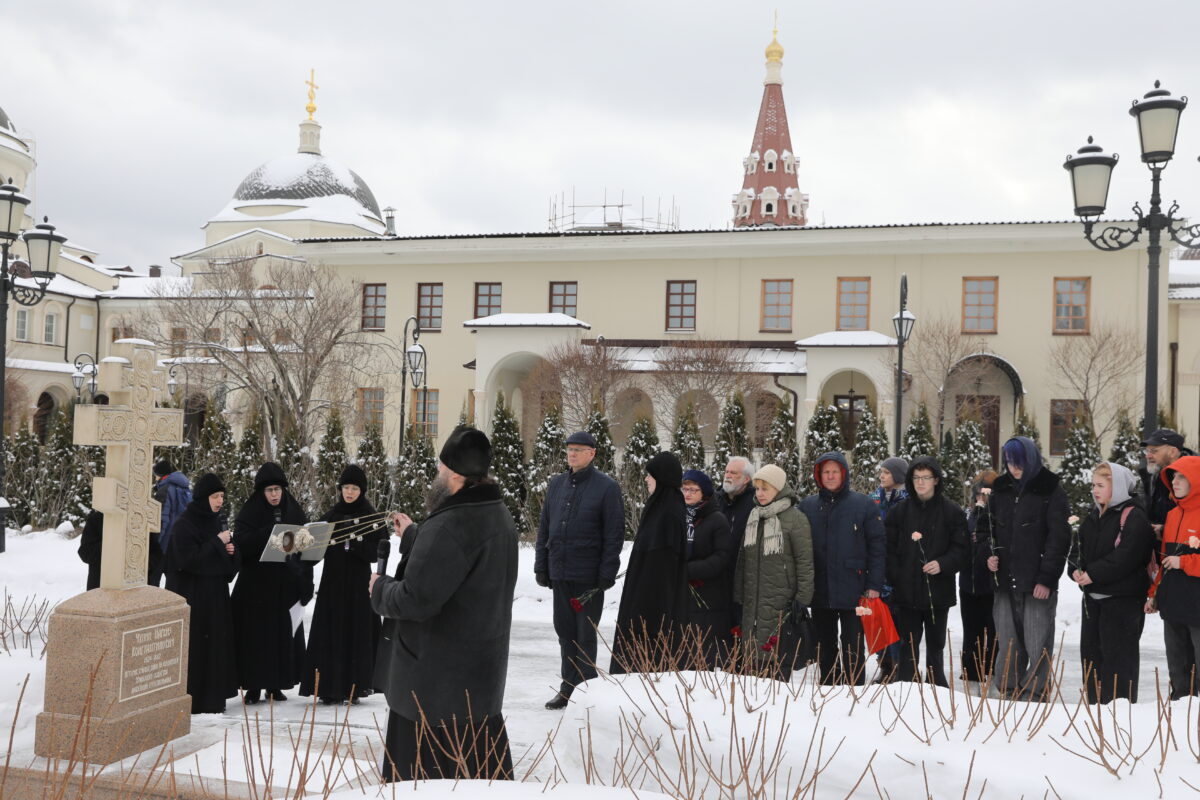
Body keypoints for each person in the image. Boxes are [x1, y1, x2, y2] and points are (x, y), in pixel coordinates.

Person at [371, 426, 518, 782]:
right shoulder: (496, 513)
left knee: (426, 785)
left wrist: (380, 589)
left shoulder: (450, 525)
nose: (436, 474)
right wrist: (414, 535)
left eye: (440, 468)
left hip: (432, 696)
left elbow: (415, 599)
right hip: (478, 686)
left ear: (454, 474)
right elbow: (456, 564)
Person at [534, 431, 624, 710]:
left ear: (592, 453)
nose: (572, 454)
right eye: (569, 449)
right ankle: (567, 688)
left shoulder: (606, 487)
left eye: (578, 449)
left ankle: (586, 690)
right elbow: (545, 527)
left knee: (585, 634)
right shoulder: (557, 484)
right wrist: (541, 565)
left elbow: (614, 534)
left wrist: (607, 572)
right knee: (565, 632)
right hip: (560, 571)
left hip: (588, 577)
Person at [987, 436, 1070, 701]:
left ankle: (1035, 692)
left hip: (1036, 581)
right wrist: (989, 555)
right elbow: (986, 528)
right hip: (1004, 579)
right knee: (1007, 640)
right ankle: (1009, 687)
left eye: (1019, 463)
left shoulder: (1050, 490)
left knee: (1037, 641)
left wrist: (1046, 579)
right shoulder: (1000, 489)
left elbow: (1059, 538)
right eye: (1010, 462)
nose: (1014, 468)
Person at [300, 464, 386, 704]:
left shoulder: (371, 517)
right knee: (331, 633)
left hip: (359, 586)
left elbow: (378, 552)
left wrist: (355, 543)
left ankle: (354, 687)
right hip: (333, 584)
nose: (349, 492)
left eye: (354, 488)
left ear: (362, 490)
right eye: (346, 487)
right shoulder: (332, 515)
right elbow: (313, 549)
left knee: (355, 634)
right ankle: (328, 687)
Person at [798, 452, 884, 686]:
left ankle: (855, 688)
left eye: (835, 471)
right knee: (825, 643)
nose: (830, 476)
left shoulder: (863, 504)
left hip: (854, 587)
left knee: (853, 643)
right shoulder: (807, 506)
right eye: (826, 472)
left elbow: (877, 547)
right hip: (820, 587)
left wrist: (874, 584)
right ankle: (829, 685)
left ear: (843, 474)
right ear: (818, 475)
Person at [231, 462, 313, 704]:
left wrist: (303, 579)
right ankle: (253, 686)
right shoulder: (250, 512)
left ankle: (276, 685)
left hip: (284, 586)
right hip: (256, 587)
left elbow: (304, 547)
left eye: (278, 489)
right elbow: (241, 544)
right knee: (256, 640)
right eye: (269, 490)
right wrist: (268, 532)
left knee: (281, 638)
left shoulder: (293, 511)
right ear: (261, 492)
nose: (275, 495)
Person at [1071, 462, 1153, 704]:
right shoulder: (1094, 515)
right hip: (1093, 600)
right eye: (1093, 485)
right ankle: (1094, 711)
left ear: (1116, 487)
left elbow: (1127, 556)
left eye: (1100, 485)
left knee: (1119, 666)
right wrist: (1075, 569)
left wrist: (1094, 573)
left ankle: (1119, 716)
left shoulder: (1134, 516)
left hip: (1122, 603)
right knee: (1092, 661)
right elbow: (1078, 548)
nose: (1094, 490)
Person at [884, 457, 967, 686]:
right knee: (908, 646)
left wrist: (943, 564)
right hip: (906, 591)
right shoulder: (899, 512)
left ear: (936, 480)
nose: (920, 482)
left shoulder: (951, 512)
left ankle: (936, 687)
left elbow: (961, 549)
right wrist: (897, 577)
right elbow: (888, 549)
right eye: (916, 477)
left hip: (937, 592)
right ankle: (906, 686)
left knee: (936, 646)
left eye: (926, 478)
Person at [164, 473, 241, 714]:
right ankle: (195, 700)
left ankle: (214, 699)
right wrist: (217, 543)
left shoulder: (217, 522)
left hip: (216, 597)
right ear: (202, 497)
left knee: (215, 648)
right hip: (194, 597)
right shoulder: (185, 524)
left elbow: (227, 563)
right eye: (215, 496)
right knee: (197, 648)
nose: (220, 501)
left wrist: (231, 552)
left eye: (222, 496)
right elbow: (187, 560)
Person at [610, 452, 690, 675]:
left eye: (650, 475)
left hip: (651, 610)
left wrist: (649, 619)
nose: (646, 479)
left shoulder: (669, 512)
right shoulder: (659, 507)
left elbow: (663, 569)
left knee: (646, 664)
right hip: (640, 601)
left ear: (662, 478)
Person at [732, 464, 814, 680]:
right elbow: (743, 559)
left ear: (778, 489)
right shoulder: (754, 516)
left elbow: (805, 562)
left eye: (765, 489)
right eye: (757, 489)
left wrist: (802, 599)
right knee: (752, 660)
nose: (759, 493)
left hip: (781, 600)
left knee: (776, 658)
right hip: (753, 601)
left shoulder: (795, 519)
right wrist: (739, 594)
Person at [1147, 454, 1200, 700]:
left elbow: (1177, 560)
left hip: (1197, 603)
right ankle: (1179, 704)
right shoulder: (1173, 515)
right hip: (1174, 602)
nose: (1174, 482)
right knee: (1177, 663)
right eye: (1173, 477)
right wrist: (1154, 593)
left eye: (1181, 477)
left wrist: (1185, 562)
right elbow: (1164, 560)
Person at [681, 469, 734, 668]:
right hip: (683, 593)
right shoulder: (680, 516)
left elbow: (722, 557)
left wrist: (688, 570)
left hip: (709, 595)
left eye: (693, 490)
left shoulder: (716, 519)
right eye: (685, 489)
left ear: (704, 493)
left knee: (705, 651)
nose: (687, 494)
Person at [871, 456, 908, 681]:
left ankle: (899, 666)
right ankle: (885, 664)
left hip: (899, 569)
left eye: (887, 472)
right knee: (878, 621)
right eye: (881, 472)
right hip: (877, 567)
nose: (882, 476)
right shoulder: (873, 499)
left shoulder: (908, 500)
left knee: (897, 622)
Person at [960, 470, 999, 682]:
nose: (981, 498)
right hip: (968, 583)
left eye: (986, 494)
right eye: (978, 494)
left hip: (991, 585)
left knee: (993, 633)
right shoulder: (968, 516)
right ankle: (970, 672)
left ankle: (993, 672)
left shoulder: (998, 517)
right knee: (971, 633)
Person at [1141, 429, 1195, 531]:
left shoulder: (1194, 477)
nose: (1147, 456)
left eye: (1154, 451)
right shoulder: (1154, 475)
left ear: (1172, 452)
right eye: (1147, 451)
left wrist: (1164, 529)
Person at [153, 459, 192, 586]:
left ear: (160, 475)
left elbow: (162, 519)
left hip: (165, 543)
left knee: (153, 581)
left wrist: (155, 544)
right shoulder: (185, 489)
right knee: (174, 584)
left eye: (155, 475)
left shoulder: (165, 490)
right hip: (180, 543)